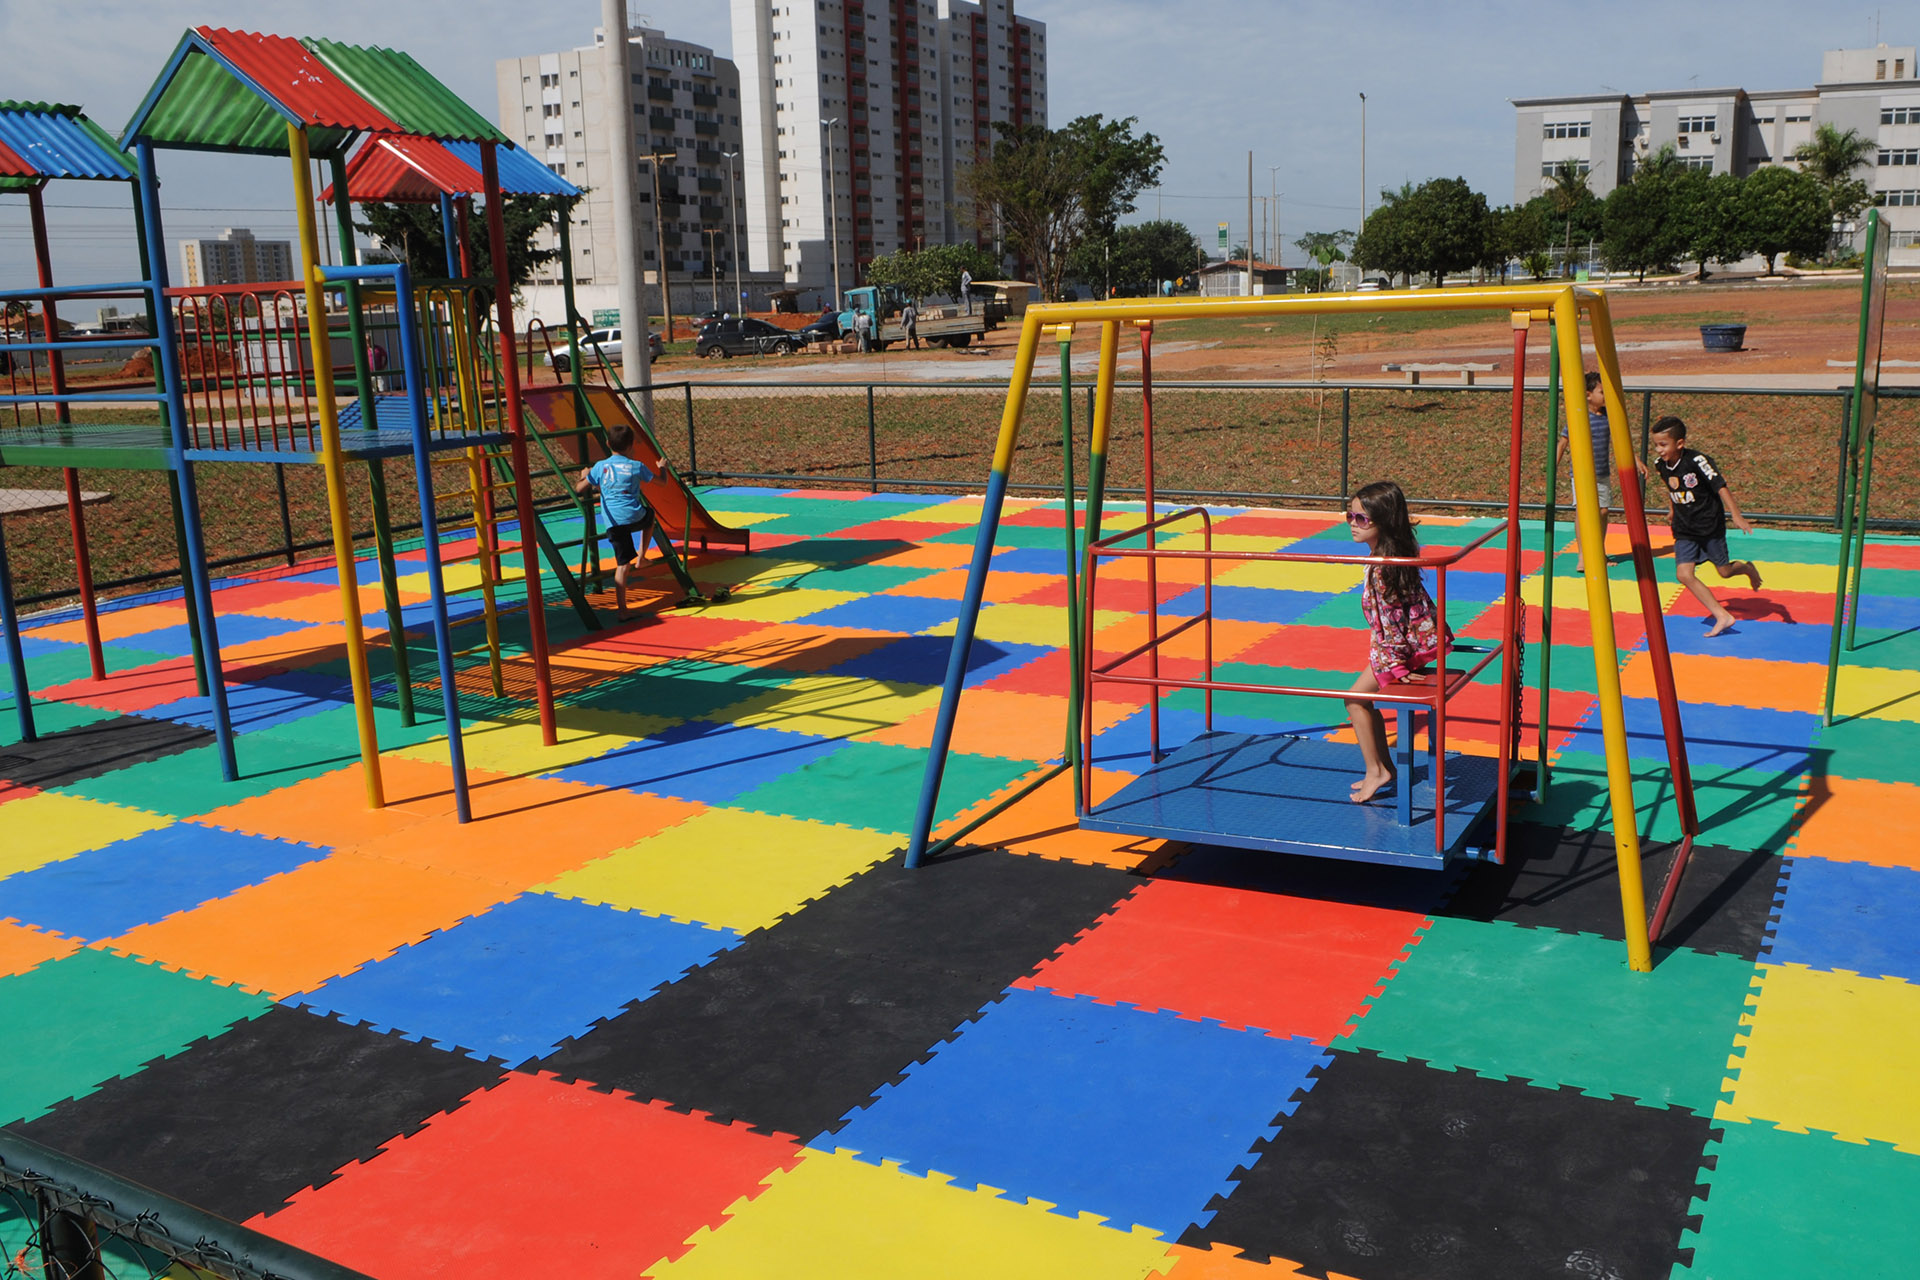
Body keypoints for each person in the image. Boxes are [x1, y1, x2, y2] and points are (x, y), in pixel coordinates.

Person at [1344, 480, 1451, 804]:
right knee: (1360, 700)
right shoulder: (1396, 553)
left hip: (1399, 646)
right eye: (1349, 515)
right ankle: (1382, 768)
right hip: (1412, 641)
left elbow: (1389, 623)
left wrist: (1395, 665)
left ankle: (1377, 770)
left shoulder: (1382, 569)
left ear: (1384, 521)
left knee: (1353, 700)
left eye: (1361, 519)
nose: (1352, 523)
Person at [1648, 415, 1762, 637]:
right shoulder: (1660, 465)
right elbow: (1672, 488)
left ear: (1679, 443)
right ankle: (1722, 615)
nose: (1659, 450)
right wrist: (1673, 509)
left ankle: (1747, 568)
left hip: (1709, 526)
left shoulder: (1698, 461)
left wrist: (1736, 515)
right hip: (1684, 528)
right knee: (1683, 574)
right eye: (1656, 445)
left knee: (1725, 572)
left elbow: (1720, 487)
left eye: (1663, 445)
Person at [574, 420, 661, 621]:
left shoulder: (600, 467)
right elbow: (661, 482)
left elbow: (579, 489)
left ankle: (622, 611)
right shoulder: (636, 466)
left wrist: (583, 475)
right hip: (636, 517)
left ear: (607, 443)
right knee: (651, 515)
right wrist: (662, 468)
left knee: (622, 566)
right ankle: (642, 556)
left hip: (614, 523)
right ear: (631, 445)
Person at [1556, 371, 1614, 575]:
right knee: (1582, 511)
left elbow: (1620, 441)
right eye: (1601, 391)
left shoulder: (1609, 416)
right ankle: (1582, 554)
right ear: (1588, 395)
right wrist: (1554, 465)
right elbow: (1563, 442)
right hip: (1581, 474)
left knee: (1603, 511)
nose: (1605, 395)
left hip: (1602, 473)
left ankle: (1599, 552)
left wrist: (1635, 460)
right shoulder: (1579, 417)